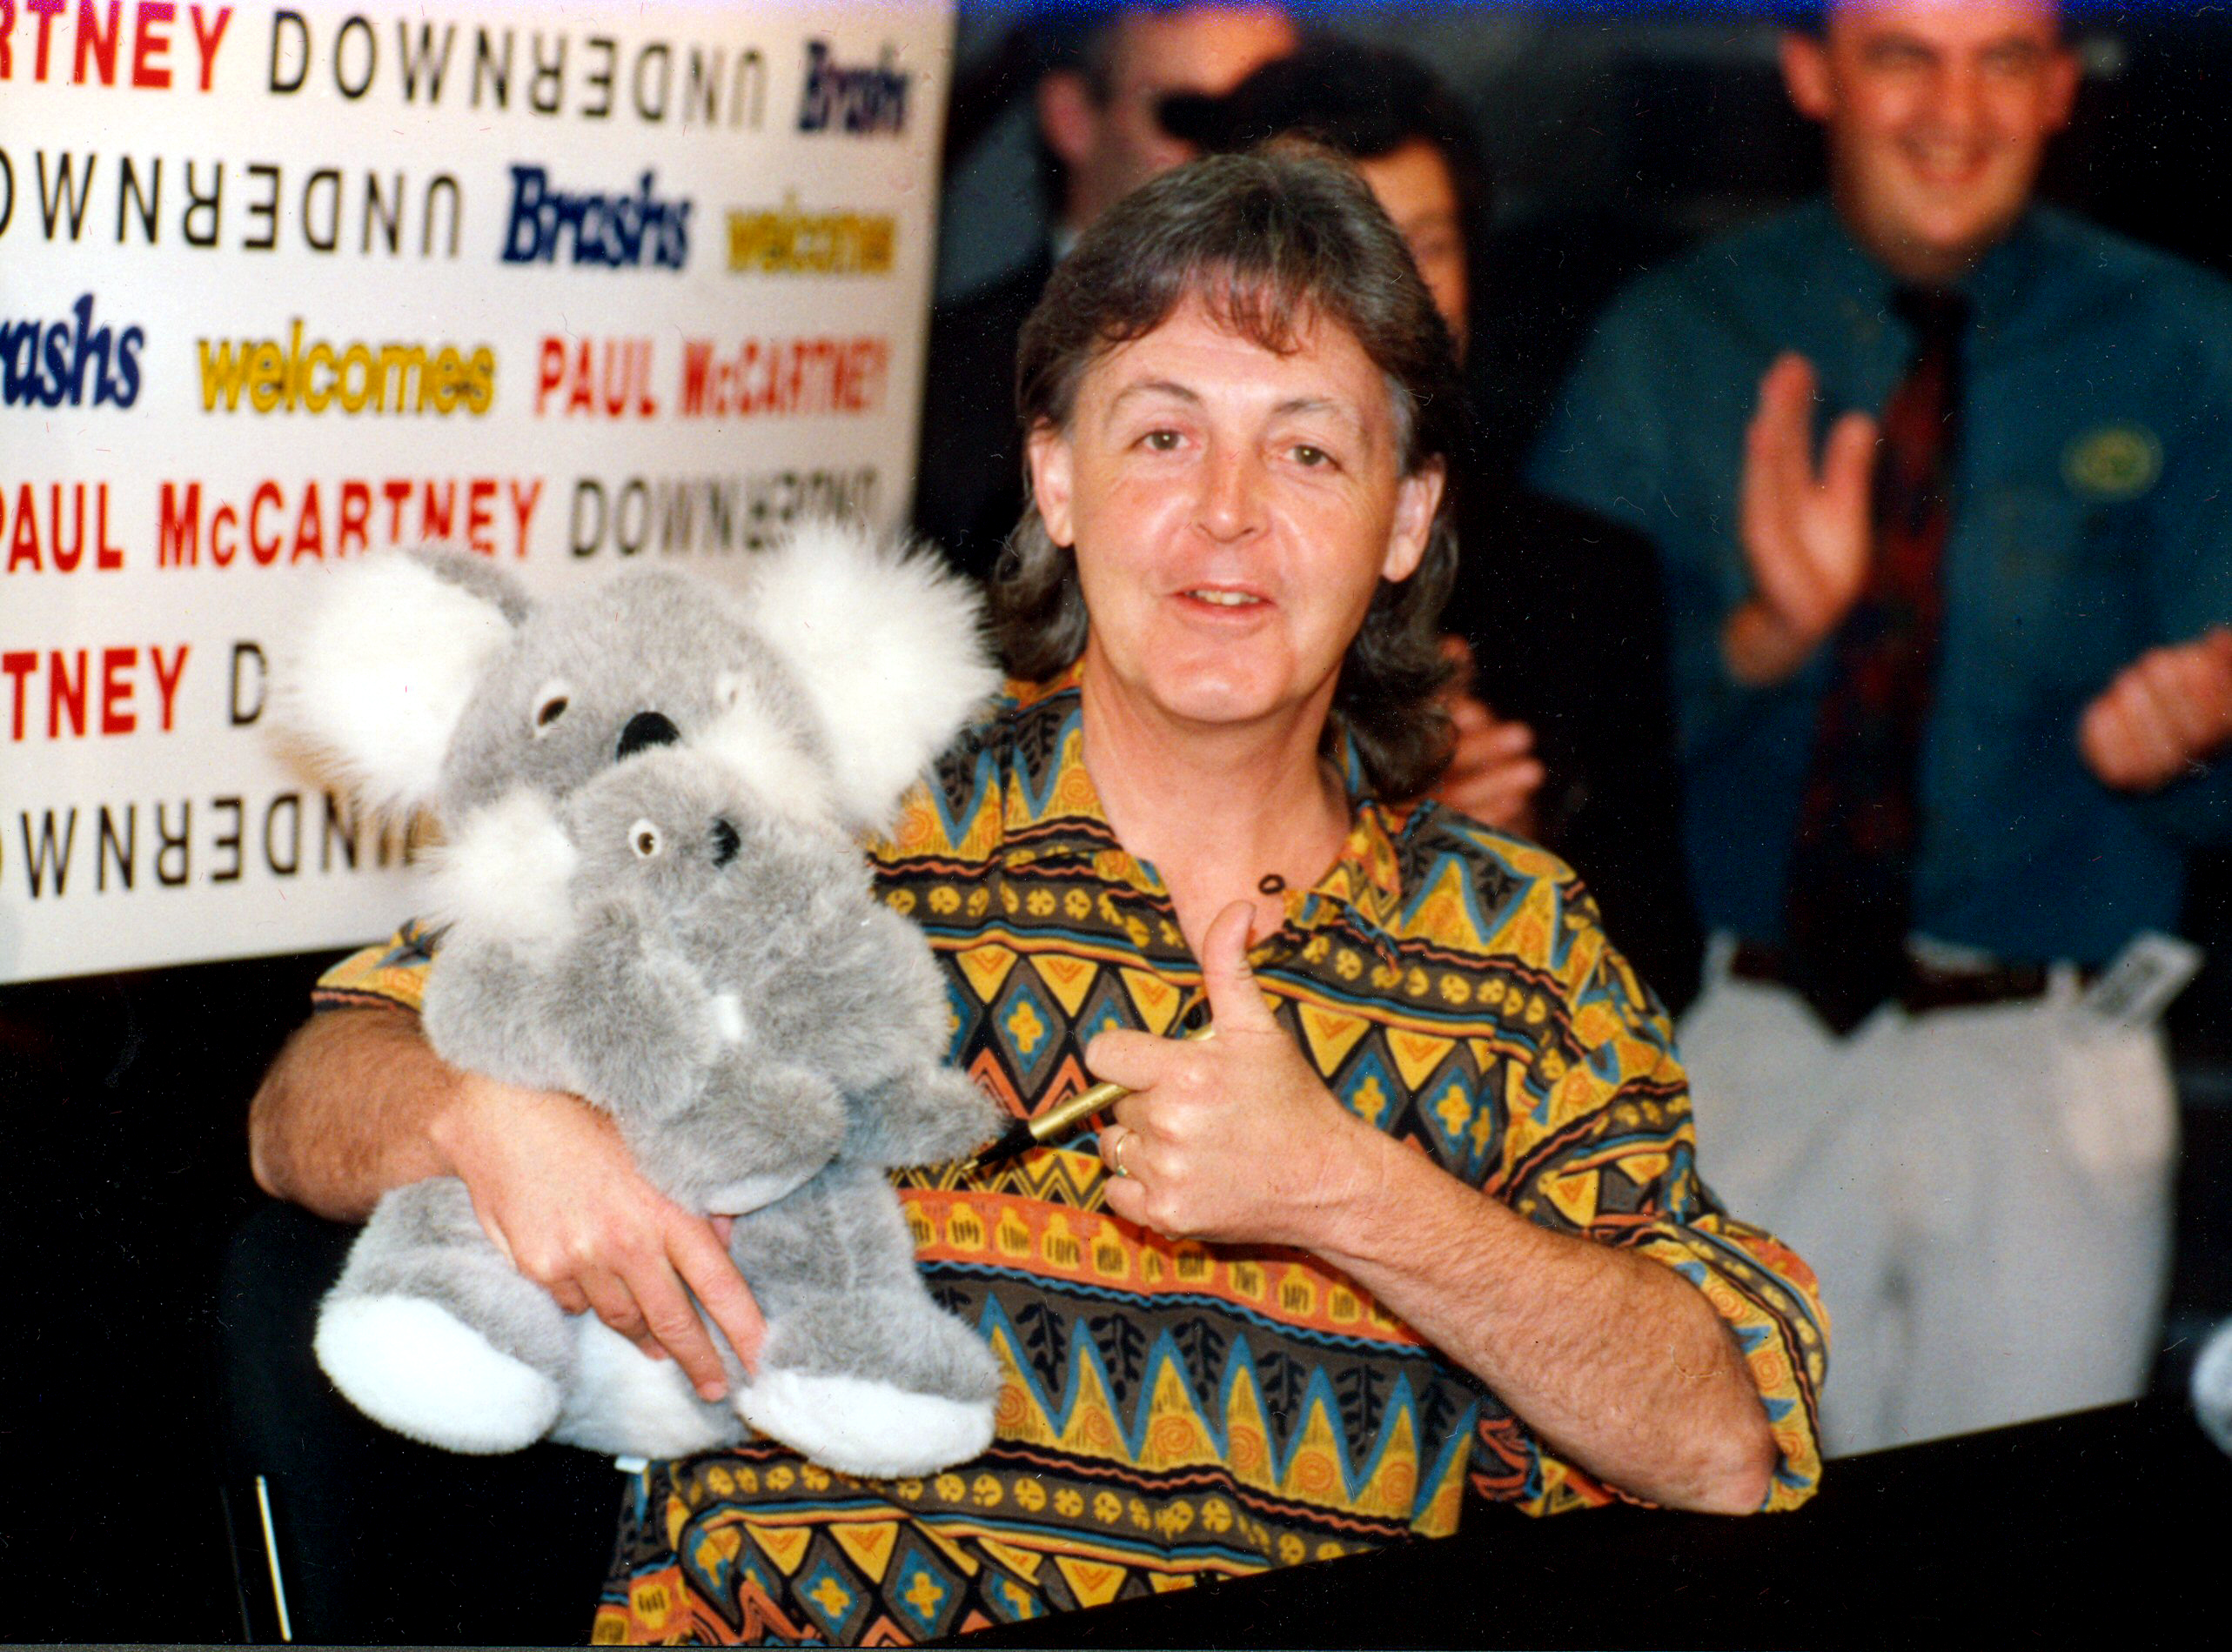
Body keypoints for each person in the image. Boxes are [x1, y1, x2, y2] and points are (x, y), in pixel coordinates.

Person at [253, 151, 1825, 1645]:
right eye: (1161, 435)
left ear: (1406, 520)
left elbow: (1726, 1440)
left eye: (1307, 447)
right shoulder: (822, 811)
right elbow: (311, 1092)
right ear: (1055, 477)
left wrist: (1345, 1189)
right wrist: (489, 1118)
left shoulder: (1516, 947)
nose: (1226, 512)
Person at [1531, 0, 2232, 1457]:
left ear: (2059, 86)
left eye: (2003, 60)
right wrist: (1756, 641)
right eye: (1904, 53)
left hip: (2055, 1060)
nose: (1953, 112)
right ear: (1810, 72)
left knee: (2030, 1563)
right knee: (1718, 1520)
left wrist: (2192, 744)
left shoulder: (2188, 347)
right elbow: (1534, 741)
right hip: (1734, 1050)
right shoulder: (1676, 341)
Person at [1167, 37, 1704, 1009]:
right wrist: (1368, 834)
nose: (1390, 297)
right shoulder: (1146, 540)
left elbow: (1662, 970)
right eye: (1332, 245)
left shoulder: (1584, 576)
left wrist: (1508, 856)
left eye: (1425, 246)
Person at [912, 3, 1298, 582]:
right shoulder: (946, 379)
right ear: (1072, 118)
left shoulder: (1343, 357)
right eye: (1189, 116)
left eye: (1267, 118)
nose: (1233, 154)